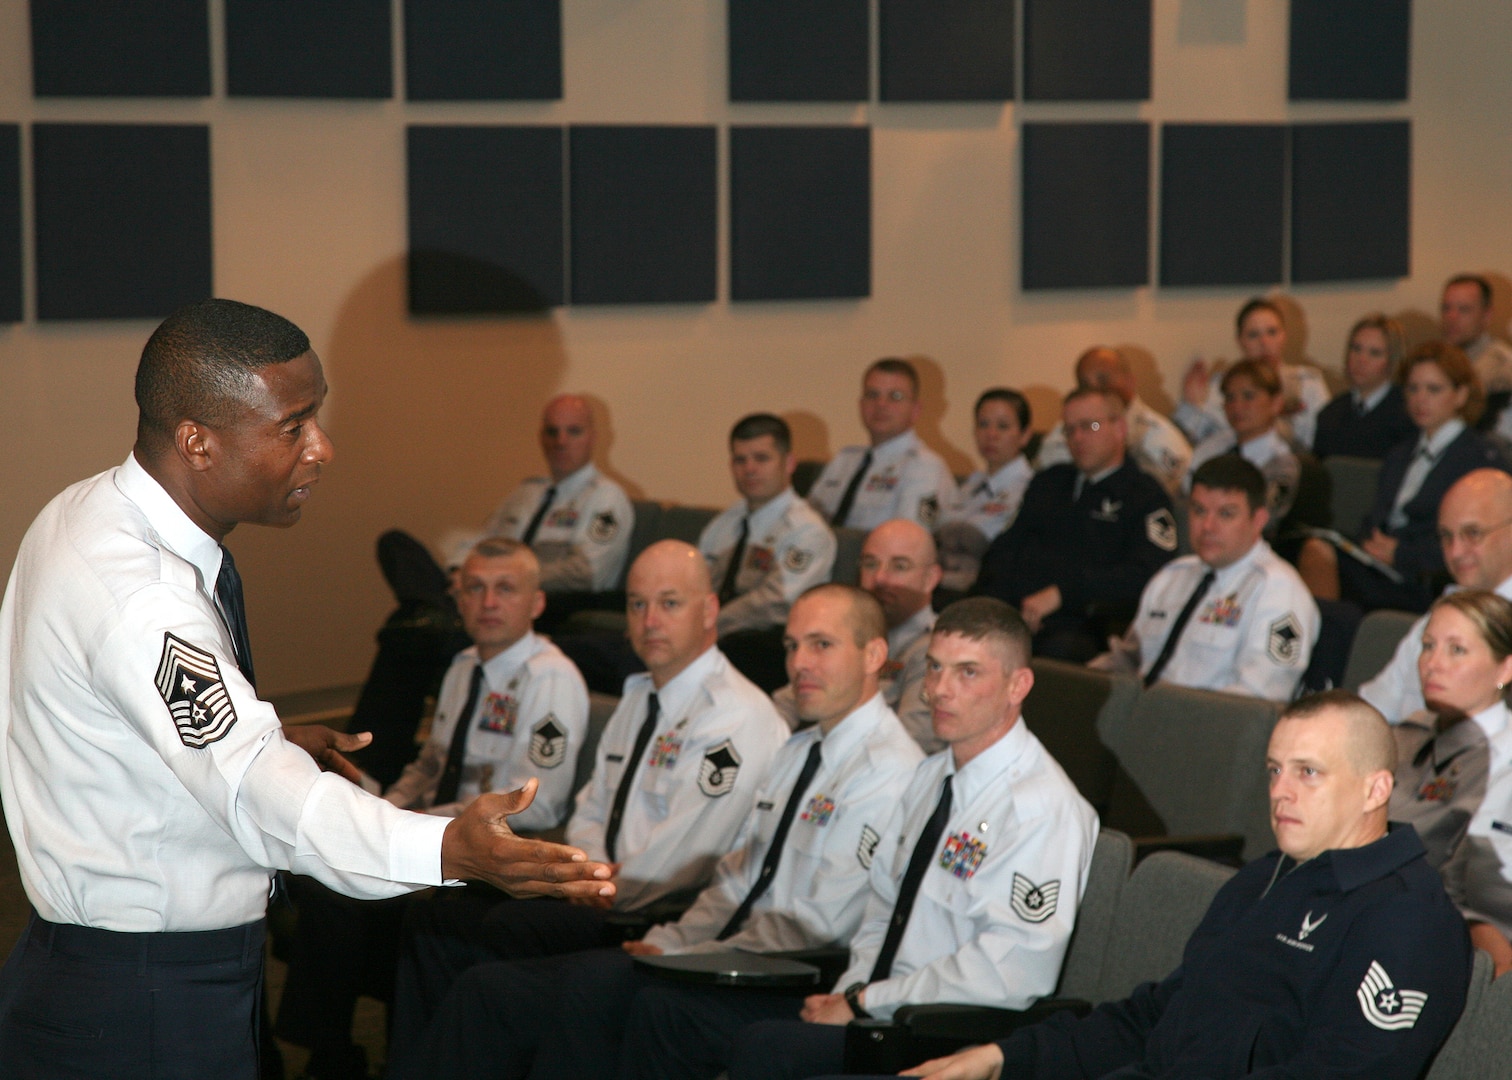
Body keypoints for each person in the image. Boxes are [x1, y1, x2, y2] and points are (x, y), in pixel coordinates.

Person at [0, 299, 613, 1079]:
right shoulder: (145, 596)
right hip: (146, 1000)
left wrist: (262, 732)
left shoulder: (81, 511)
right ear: (198, 440)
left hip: (98, 970)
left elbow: (90, 718)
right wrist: (446, 847)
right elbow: (261, 793)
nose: (322, 449)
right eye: (293, 427)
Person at [385, 584, 925, 1080]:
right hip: (715, 947)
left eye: (821, 645)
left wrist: (694, 952)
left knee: (586, 990)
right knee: (487, 986)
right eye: (791, 646)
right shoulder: (802, 751)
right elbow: (737, 879)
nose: (799, 664)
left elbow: (819, 924)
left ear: (874, 656)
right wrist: (676, 940)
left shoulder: (889, 770)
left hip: (780, 972)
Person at [843, 692, 1472, 1080]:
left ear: (1375, 789)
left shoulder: (1406, 919)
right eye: (1275, 769)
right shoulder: (1262, 880)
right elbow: (1153, 1017)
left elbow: (1339, 1075)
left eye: (1309, 773)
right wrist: (1006, 1057)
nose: (1280, 791)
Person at [386, 540, 789, 1055]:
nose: (649, 620)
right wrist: (586, 870)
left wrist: (595, 885)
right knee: (434, 921)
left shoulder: (737, 715)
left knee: (482, 944)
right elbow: (592, 806)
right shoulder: (640, 694)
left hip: (656, 911)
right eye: (637, 604)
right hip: (596, 891)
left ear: (708, 610)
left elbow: (687, 852)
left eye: (669, 603)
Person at [704, 598, 1098, 1080]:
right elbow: (882, 907)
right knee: (679, 1016)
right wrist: (851, 992)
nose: (939, 691)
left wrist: (866, 1001)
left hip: (942, 1037)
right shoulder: (930, 778)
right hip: (875, 1011)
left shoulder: (1040, 809)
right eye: (934, 668)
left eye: (967, 673)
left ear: (1018, 685)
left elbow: (1008, 975)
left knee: (762, 1048)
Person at [275, 536, 590, 1078]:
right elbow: (430, 765)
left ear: (536, 604)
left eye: (505, 589)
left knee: (342, 896)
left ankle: (348, 1056)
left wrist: (408, 825)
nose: (488, 602)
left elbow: (536, 805)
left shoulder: (551, 678)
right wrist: (379, 806)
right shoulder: (465, 664)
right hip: (442, 838)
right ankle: (330, 1050)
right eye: (475, 589)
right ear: (459, 600)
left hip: (498, 860)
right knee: (322, 874)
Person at [346, 392, 634, 785]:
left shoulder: (606, 498)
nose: (561, 442)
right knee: (395, 543)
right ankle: (438, 609)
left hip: (547, 610)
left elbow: (588, 573)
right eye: (552, 432)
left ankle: (364, 767)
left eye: (573, 432)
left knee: (410, 634)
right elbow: (483, 542)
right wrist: (461, 571)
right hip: (478, 594)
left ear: (594, 437)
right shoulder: (527, 492)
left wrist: (510, 579)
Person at [1298, 342, 1508, 613]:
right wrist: (1372, 544)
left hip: (1426, 579)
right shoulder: (1401, 453)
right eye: (1413, 389)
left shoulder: (1478, 459)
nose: (1421, 399)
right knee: (1306, 547)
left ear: (1460, 395)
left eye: (1433, 389)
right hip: (1382, 567)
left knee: (1319, 555)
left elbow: (1481, 543)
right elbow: (1376, 516)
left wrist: (1399, 553)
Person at [975, 388, 1179, 662]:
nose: (1077, 438)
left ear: (1119, 428)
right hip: (1016, 618)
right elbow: (1004, 551)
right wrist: (1000, 609)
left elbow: (1150, 575)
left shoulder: (1142, 495)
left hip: (1086, 625)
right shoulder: (1049, 482)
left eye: (1089, 426)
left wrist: (1064, 593)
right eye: (1069, 430)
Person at [1095, 456, 1319, 701]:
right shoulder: (1172, 576)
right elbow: (1128, 661)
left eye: (1226, 514)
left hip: (1205, 729)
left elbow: (1258, 702)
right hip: (1137, 720)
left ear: (1258, 521)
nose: (1208, 527)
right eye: (1199, 511)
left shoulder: (1277, 590)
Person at [1361, 469, 1512, 721]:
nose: (1455, 552)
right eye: (1446, 537)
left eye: (1472, 533)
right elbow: (1375, 709)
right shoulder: (1442, 616)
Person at [700, 413, 837, 691]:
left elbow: (775, 604)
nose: (749, 469)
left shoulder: (807, 530)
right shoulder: (725, 523)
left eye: (761, 458)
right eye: (740, 460)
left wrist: (705, 627)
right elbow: (695, 581)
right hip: (715, 636)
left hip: (767, 648)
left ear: (788, 463)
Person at [1387, 591, 1512, 870]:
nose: (1432, 664)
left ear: (1505, 669)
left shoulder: (1503, 760)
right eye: (1428, 646)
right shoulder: (1405, 735)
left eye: (1457, 650)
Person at [807, 358, 956, 532]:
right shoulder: (845, 459)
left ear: (916, 410)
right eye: (872, 395)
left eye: (895, 396)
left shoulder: (925, 466)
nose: (881, 404)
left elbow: (907, 540)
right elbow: (807, 520)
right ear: (861, 404)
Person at [1176, 297, 1330, 451]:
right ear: (1240, 341)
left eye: (1272, 332)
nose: (1264, 342)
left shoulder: (1308, 383)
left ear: (1284, 336)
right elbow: (1184, 445)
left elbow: (1323, 444)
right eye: (1253, 335)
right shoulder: (1220, 387)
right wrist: (1192, 405)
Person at [1034, 346, 1192, 496]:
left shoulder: (1160, 437)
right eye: (1085, 384)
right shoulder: (1063, 432)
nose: (1095, 388)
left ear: (1130, 381)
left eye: (1103, 380)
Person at [1185, 359, 1304, 533]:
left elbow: (1264, 521)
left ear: (1276, 403)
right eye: (1230, 398)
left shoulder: (1281, 463)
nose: (1237, 407)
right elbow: (1185, 496)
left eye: (1248, 396)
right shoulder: (1212, 447)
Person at [936, 389, 1036, 592]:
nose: (991, 434)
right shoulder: (970, 484)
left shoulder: (1032, 490)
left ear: (1025, 435)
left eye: (1003, 426)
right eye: (983, 424)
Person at [1313, 314, 1417, 461]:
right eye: (1356, 349)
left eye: (1374, 353)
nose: (1361, 360)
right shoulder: (1331, 413)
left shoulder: (1409, 412)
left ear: (1393, 360)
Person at [1440, 273, 1512, 437]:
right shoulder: (1437, 362)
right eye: (1446, 308)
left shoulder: (1502, 365)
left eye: (1463, 309)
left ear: (1487, 316)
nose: (1452, 317)